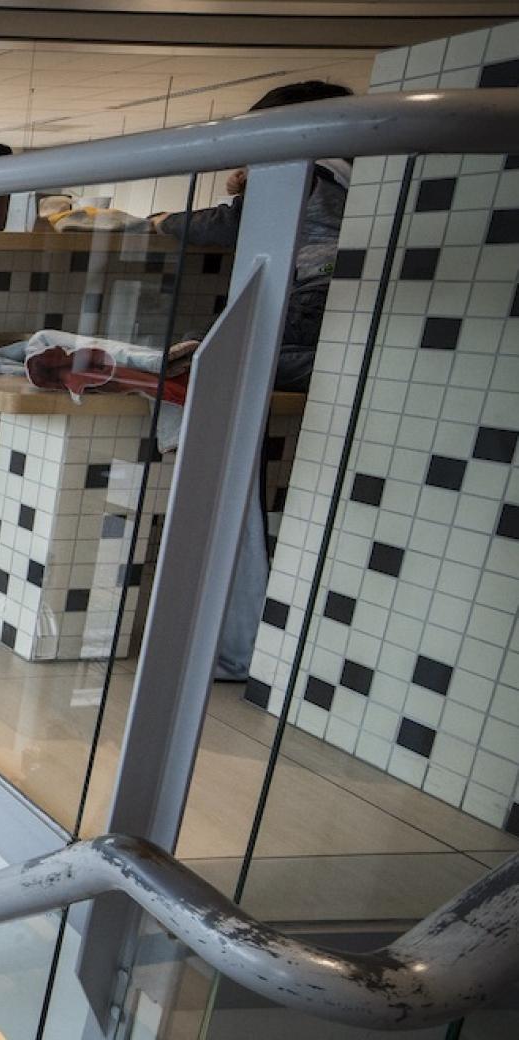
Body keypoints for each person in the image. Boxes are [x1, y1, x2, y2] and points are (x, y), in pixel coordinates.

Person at [148, 80, 354, 681]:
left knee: (200, 366)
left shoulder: (298, 167)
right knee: (213, 364)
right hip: (340, 324)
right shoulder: (361, 172)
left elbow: (220, 225)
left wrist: (160, 222)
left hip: (301, 312)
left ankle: (190, 437)